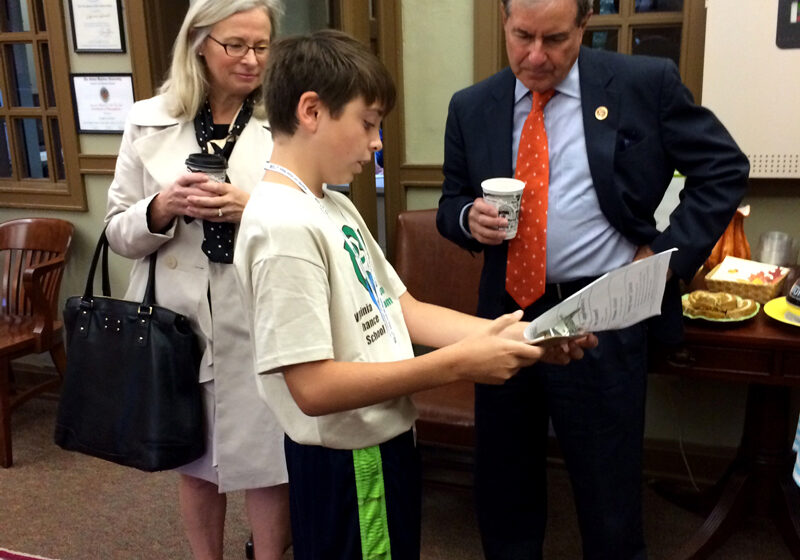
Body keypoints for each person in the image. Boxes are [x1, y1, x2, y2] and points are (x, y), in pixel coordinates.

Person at [233, 30, 596, 560]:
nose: (377, 142)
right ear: (311, 110)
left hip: (383, 443)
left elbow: (402, 310)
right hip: (350, 458)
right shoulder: (282, 227)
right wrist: (457, 364)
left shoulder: (331, 205)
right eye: (369, 122)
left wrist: (522, 336)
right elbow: (312, 386)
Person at [436, 0, 750, 558]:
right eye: (522, 36)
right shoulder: (471, 105)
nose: (535, 55)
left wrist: (664, 257)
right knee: (505, 481)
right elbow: (451, 201)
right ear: (504, 23)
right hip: (506, 317)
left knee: (608, 490)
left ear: (585, 25)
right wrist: (467, 218)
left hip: (603, 314)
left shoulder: (643, 84)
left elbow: (723, 166)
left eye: (555, 38)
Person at [104, 1, 290, 559]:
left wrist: (250, 207)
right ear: (199, 43)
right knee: (196, 460)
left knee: (267, 461)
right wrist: (159, 208)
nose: (252, 59)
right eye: (236, 45)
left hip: (261, 311)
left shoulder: (289, 114)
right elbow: (116, 231)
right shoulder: (147, 118)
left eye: (262, 46)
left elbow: (321, 213)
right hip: (177, 322)